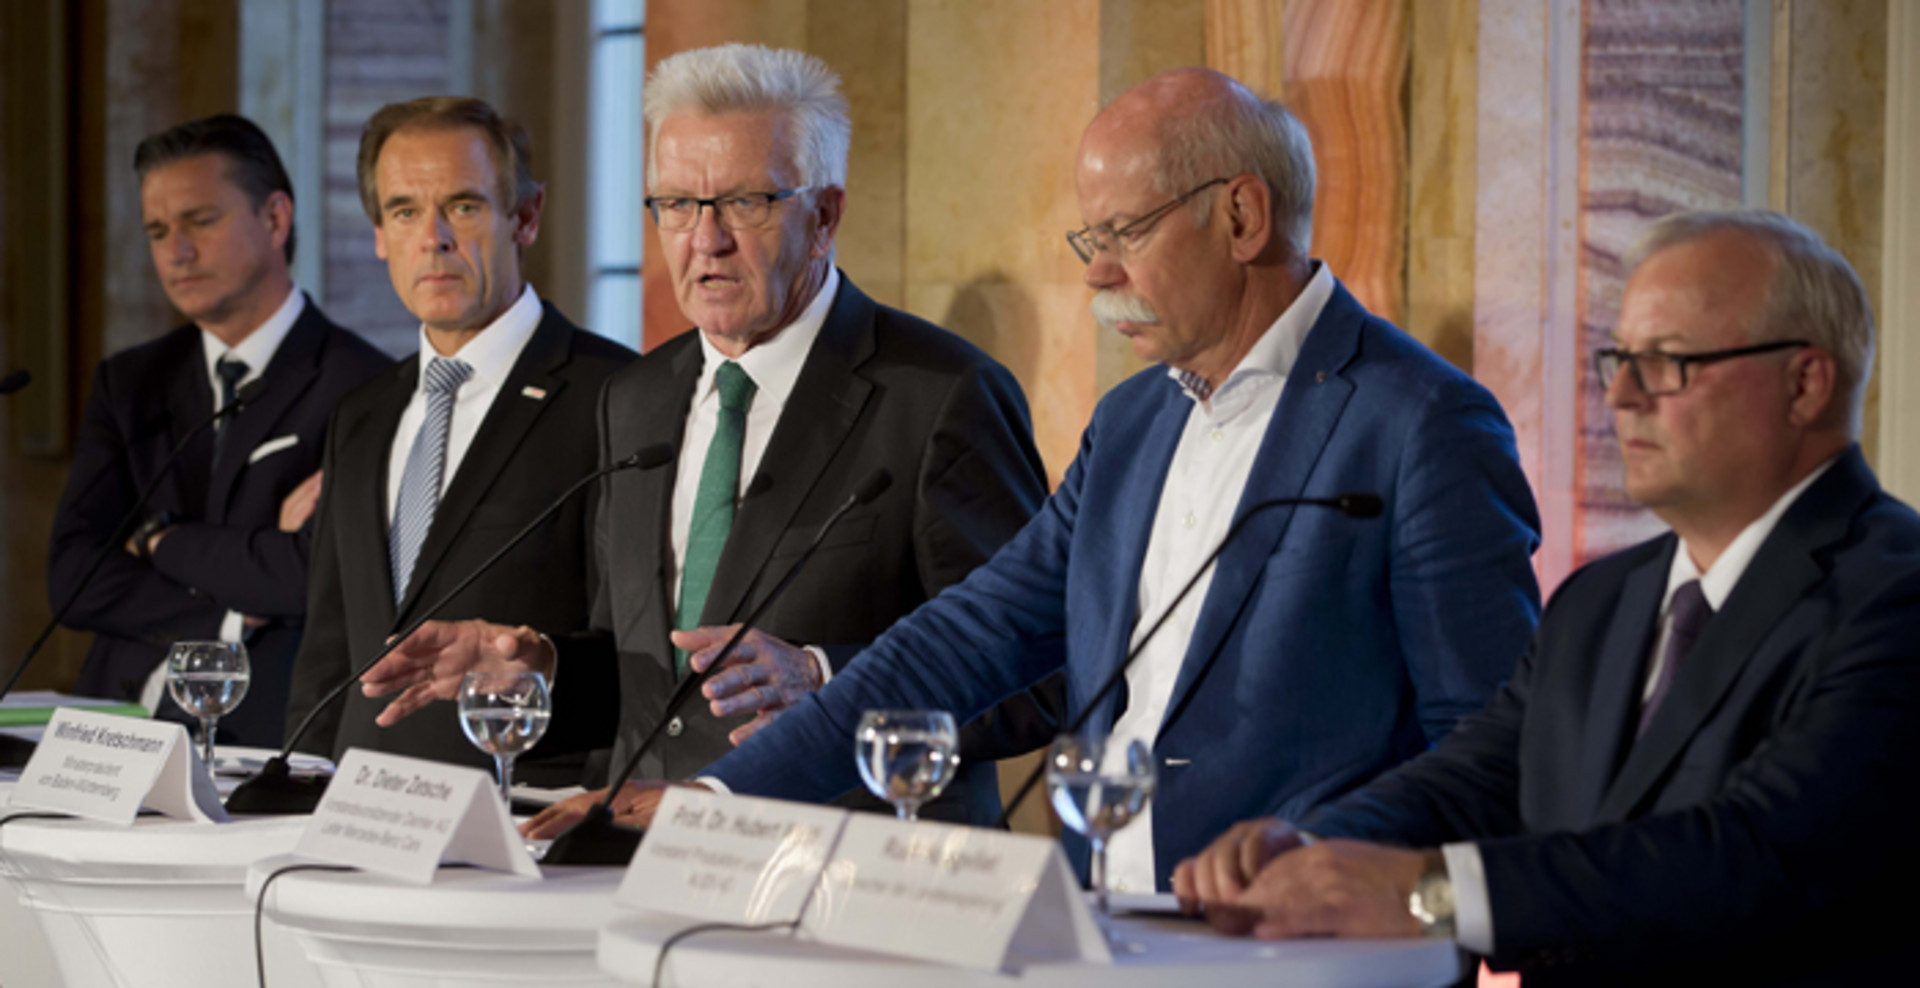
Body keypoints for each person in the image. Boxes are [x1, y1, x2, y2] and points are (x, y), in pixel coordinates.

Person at [503, 66, 1543, 891]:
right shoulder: (1132, 422)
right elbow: (961, 641)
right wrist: (720, 794)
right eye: (1088, 241)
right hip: (1110, 927)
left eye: (1125, 234)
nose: (1095, 273)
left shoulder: (1423, 422)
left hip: (1310, 947)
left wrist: (1314, 844)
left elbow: (1496, 737)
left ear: (1241, 217)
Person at [1172, 210, 1918, 984]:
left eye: (1667, 363)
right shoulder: (1602, 597)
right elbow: (1475, 779)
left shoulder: (1895, 594)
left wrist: (1429, 893)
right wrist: (1312, 847)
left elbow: (1757, 851)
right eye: (1619, 358)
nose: (1622, 395)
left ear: (1804, 383)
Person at [361, 44, 1060, 825]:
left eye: (744, 203)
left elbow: (1040, 677)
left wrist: (826, 678)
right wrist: (542, 670)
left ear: (824, 213)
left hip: (852, 875)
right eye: (678, 205)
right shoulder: (632, 399)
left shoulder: (939, 396)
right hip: (654, 865)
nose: (706, 239)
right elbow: (654, 691)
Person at [285, 97, 634, 777]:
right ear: (380, 234)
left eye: (465, 206)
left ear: (525, 217)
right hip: (359, 821)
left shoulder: (617, 395)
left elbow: (631, 647)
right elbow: (329, 649)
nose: (433, 237)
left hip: (524, 820)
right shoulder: (361, 413)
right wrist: (298, 787)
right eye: (405, 211)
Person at [49, 115, 390, 747]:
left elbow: (311, 577)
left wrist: (157, 542)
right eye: (157, 231)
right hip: (105, 733)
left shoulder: (364, 386)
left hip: (259, 737)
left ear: (275, 219)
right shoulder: (130, 382)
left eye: (200, 222)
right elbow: (72, 577)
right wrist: (232, 610)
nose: (176, 252)